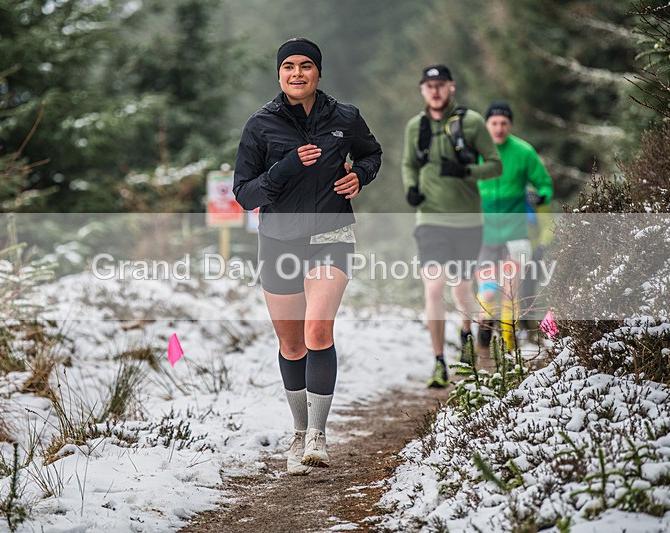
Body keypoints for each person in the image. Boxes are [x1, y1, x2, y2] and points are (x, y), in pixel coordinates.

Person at [233, 38, 382, 475]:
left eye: (306, 66)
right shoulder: (260, 125)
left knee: (318, 329)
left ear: (319, 72)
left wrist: (359, 176)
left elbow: (371, 154)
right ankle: (299, 432)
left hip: (331, 232)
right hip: (278, 239)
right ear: (279, 74)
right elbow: (244, 194)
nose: (297, 73)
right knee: (292, 342)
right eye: (289, 67)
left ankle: (318, 435)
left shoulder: (345, 117)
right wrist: (285, 167)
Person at [401, 65, 502, 388]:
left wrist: (465, 172)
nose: (435, 91)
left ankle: (466, 333)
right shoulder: (415, 127)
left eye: (440, 85)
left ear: (451, 87)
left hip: (468, 221)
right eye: (429, 85)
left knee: (461, 289)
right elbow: (408, 163)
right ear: (422, 90)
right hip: (430, 220)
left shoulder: (471, 123)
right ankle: (439, 361)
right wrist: (410, 186)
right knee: (433, 287)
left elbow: (495, 166)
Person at [475, 101, 553, 350]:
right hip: (484, 234)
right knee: (488, 293)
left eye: (504, 123)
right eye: (494, 123)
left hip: (517, 233)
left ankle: (510, 347)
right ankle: (485, 325)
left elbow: (544, 184)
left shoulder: (523, 151)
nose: (499, 128)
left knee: (510, 291)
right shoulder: (474, 151)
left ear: (510, 125)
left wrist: (540, 197)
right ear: (486, 125)